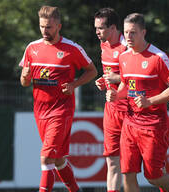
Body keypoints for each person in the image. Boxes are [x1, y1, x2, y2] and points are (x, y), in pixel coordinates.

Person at [19, 5, 97, 192]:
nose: (45, 31)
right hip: (40, 111)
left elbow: (92, 71)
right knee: (59, 159)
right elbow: (24, 82)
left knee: (46, 157)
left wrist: (74, 85)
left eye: (49, 27)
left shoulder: (72, 48)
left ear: (59, 26)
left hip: (62, 110)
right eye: (42, 27)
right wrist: (25, 76)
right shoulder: (32, 48)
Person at [106, 13, 169, 192]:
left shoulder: (158, 57)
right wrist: (116, 94)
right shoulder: (123, 57)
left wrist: (150, 101)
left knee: (153, 176)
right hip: (130, 124)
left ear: (143, 32)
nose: (128, 37)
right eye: (126, 32)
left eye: (133, 32)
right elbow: (125, 84)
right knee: (128, 173)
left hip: (154, 125)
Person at [93, 7, 128, 192]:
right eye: (96, 28)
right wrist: (104, 80)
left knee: (148, 169)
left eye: (100, 28)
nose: (97, 32)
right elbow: (110, 74)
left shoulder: (128, 47)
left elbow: (139, 78)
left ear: (113, 28)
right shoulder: (104, 45)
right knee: (112, 162)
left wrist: (117, 78)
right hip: (112, 111)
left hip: (132, 111)